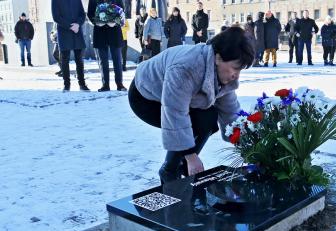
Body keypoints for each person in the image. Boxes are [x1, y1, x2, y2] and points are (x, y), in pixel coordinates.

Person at [128, 27, 254, 184]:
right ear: (218, 57)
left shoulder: (224, 76)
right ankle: (169, 171)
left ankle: (182, 165)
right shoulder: (186, 67)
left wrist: (249, 147)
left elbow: (231, 113)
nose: (236, 75)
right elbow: (175, 112)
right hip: (146, 97)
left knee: (208, 117)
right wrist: (190, 155)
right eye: (235, 68)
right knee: (201, 119)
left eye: (240, 70)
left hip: (179, 100)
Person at [88, 0, 127, 92]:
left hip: (114, 31)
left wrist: (115, 22)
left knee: (117, 59)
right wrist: (96, 22)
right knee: (103, 60)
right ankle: (105, 85)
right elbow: (90, 13)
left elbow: (121, 10)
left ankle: (119, 84)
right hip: (99, 31)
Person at [52, 0, 90, 92]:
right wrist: (70, 26)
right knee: (64, 60)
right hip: (64, 32)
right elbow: (56, 17)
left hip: (77, 31)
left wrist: (78, 24)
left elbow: (82, 14)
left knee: (79, 60)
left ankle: (82, 84)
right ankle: (66, 85)